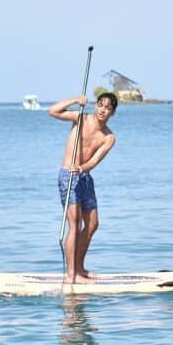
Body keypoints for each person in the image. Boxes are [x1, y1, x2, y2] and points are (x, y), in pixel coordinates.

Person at [49, 92, 118, 284]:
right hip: (68, 176)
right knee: (75, 225)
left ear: (112, 113)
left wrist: (81, 168)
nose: (102, 110)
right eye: (100, 105)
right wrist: (75, 100)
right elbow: (53, 111)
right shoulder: (80, 117)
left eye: (108, 108)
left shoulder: (109, 137)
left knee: (93, 224)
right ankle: (71, 275)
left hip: (85, 176)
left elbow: (95, 161)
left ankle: (80, 268)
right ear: (96, 106)